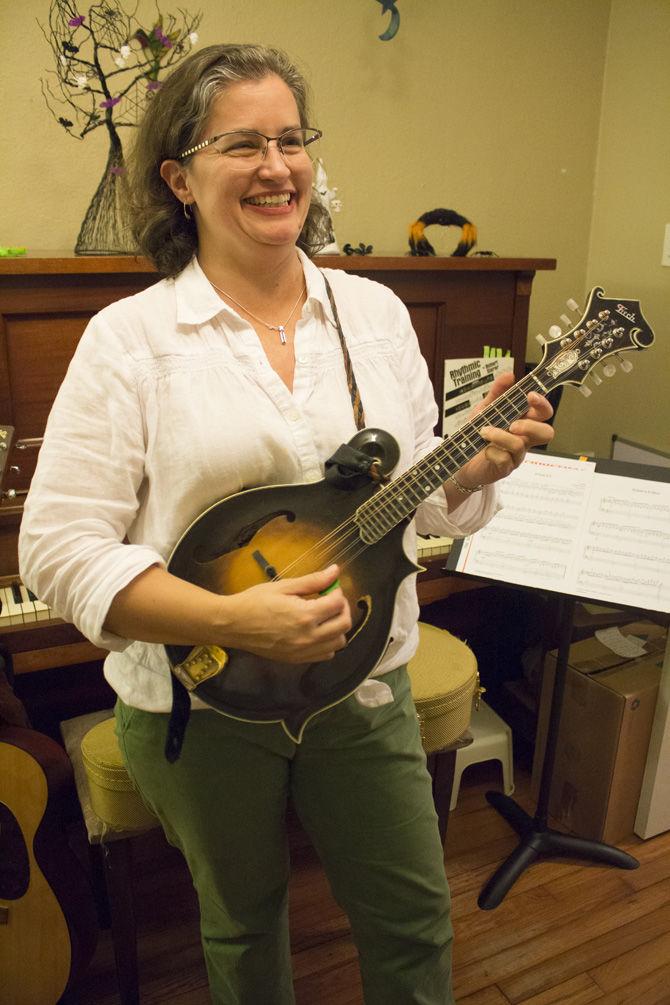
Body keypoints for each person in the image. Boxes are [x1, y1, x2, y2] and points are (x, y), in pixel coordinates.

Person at [19, 43, 554, 1005]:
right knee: (242, 924)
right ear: (180, 177)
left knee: (411, 922)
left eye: (291, 139)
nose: (277, 167)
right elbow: (58, 548)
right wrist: (233, 619)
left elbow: (416, 499)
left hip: (364, 686)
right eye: (243, 145)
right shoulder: (130, 340)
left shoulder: (377, 312)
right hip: (204, 702)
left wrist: (472, 464)